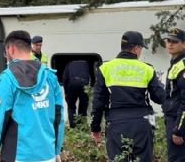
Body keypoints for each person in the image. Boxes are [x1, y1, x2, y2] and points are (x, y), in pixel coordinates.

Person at [0, 30, 64, 162]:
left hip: (18, 156)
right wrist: (56, 150)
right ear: (29, 48)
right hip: (48, 154)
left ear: (11, 49)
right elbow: (58, 115)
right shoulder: (50, 76)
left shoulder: (7, 79)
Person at [90, 31, 165, 161]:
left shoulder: (105, 68)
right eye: (141, 48)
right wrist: (159, 83)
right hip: (141, 123)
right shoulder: (147, 69)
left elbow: (98, 102)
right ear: (136, 48)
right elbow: (159, 98)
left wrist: (95, 127)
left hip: (116, 124)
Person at [162, 28, 185, 161]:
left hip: (178, 120)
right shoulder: (176, 63)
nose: (170, 44)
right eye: (169, 41)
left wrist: (178, 129)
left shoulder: (183, 65)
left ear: (184, 44)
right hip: (173, 117)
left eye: (175, 42)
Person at [63, 60, 90, 128]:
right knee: (83, 106)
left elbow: (65, 79)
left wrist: (66, 92)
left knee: (71, 106)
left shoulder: (69, 64)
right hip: (84, 83)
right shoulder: (86, 64)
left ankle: (73, 127)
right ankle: (82, 127)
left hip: (72, 83)